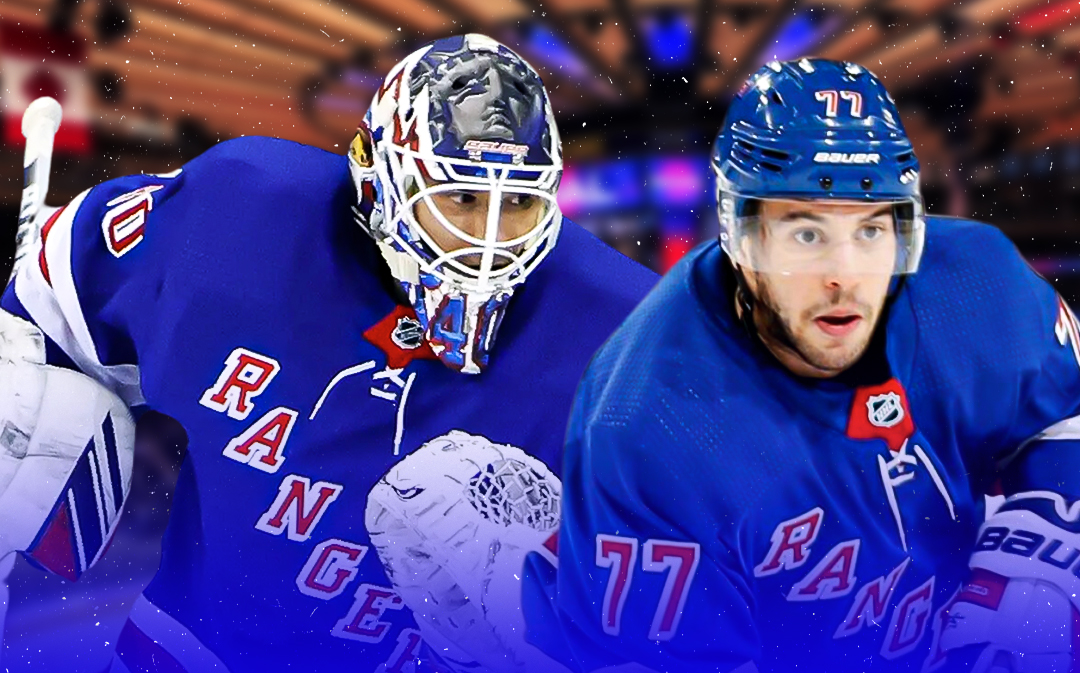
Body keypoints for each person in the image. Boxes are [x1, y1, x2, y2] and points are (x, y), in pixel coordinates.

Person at [0, 34, 656, 672]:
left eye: (515, 201)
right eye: (459, 197)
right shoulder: (239, 217)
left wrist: (539, 625)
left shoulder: (629, 339)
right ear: (379, 176)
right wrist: (30, 415)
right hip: (192, 649)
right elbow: (56, 300)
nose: (485, 240)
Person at [525, 58, 1080, 673]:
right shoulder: (646, 426)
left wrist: (1038, 575)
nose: (844, 277)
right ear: (741, 235)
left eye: (872, 231)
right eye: (807, 234)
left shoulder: (976, 282)